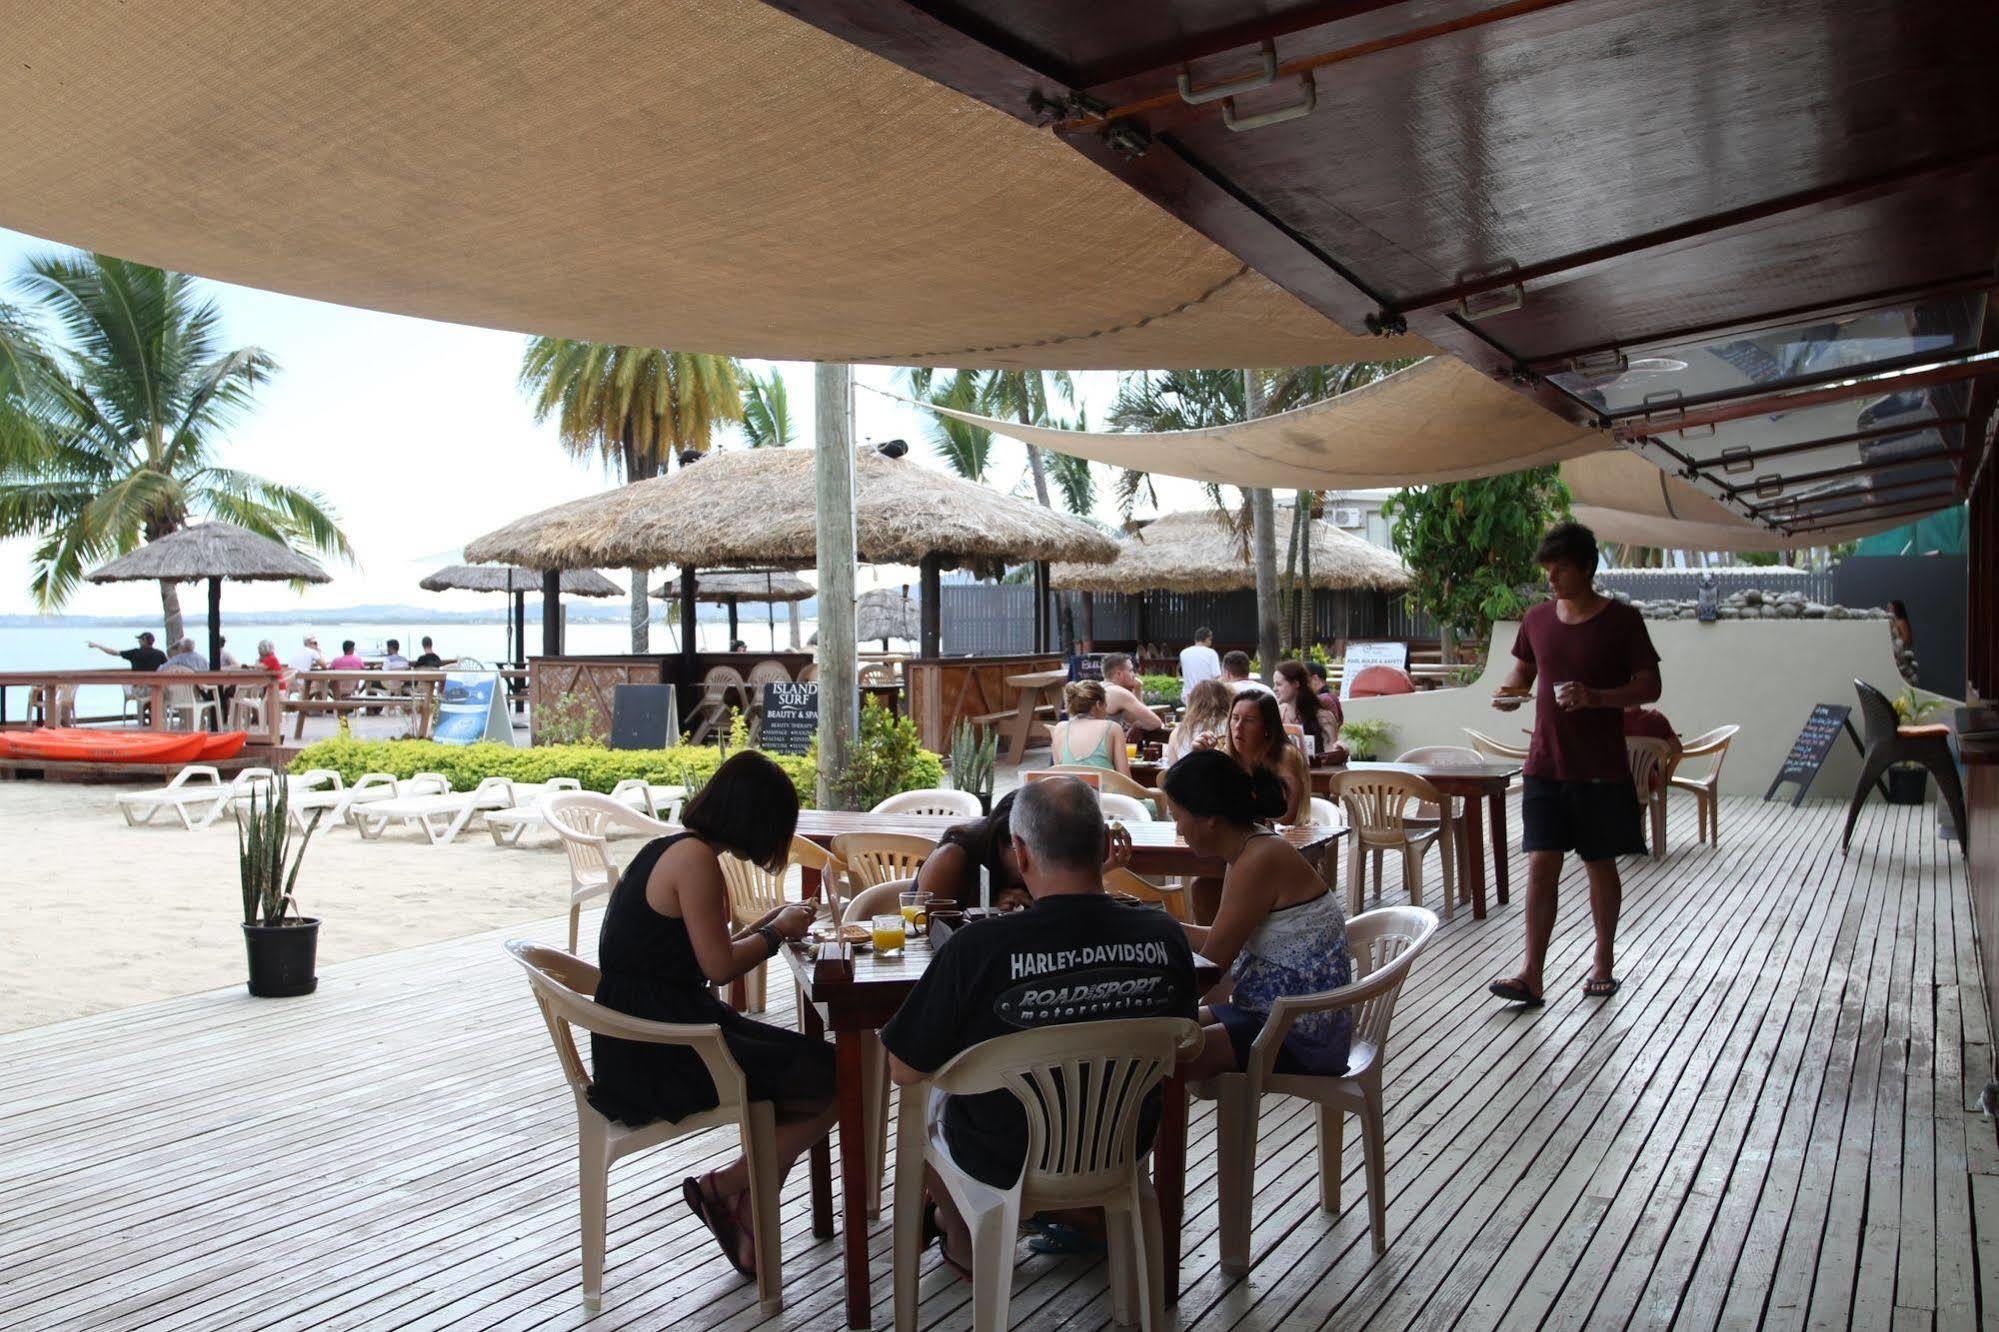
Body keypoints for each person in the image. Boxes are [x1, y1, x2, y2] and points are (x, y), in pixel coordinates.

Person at [880, 778, 1197, 1280]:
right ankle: (1081, 1212)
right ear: (1103, 847)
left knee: (928, 1097)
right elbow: (1182, 1046)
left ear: (1021, 853)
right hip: (1124, 1141)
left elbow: (902, 1067)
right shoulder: (1164, 935)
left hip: (1002, 1154)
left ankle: (960, 1229)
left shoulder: (977, 948)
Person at [588, 751, 837, 1278]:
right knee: (843, 1077)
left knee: (817, 1072)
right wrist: (776, 935)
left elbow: (698, 958)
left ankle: (743, 1210)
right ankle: (723, 1186)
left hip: (651, 1032)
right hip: (664, 1048)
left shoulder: (671, 849)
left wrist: (769, 923)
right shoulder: (697, 861)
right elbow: (720, 967)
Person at [1488, 521, 1660, 1006]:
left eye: (1561, 568)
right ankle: (1531, 973)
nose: (1551, 578)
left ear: (1587, 567)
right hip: (1544, 763)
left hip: (1600, 766)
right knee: (1541, 864)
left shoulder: (1623, 620)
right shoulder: (1537, 619)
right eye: (1547, 569)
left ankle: (1602, 962)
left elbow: (1649, 686)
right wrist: (1509, 694)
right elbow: (1522, 671)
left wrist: (1597, 697)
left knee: (1598, 863)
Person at [1163, 750, 1354, 1080]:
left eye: (1177, 816)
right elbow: (1222, 940)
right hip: (1273, 1012)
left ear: (1209, 817)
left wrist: (1142, 1006)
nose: (1177, 828)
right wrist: (1162, 927)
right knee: (1161, 1040)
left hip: (1298, 1032)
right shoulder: (1248, 848)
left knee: (1158, 1061)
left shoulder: (1257, 859)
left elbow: (1211, 966)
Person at [1048, 680, 1130, 776]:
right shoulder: (1112, 728)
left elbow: (1059, 776)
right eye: (1105, 704)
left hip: (1070, 790)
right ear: (1098, 704)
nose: (1106, 709)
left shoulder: (1059, 729)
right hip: (1102, 791)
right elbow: (1125, 778)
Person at [1162, 678, 1234, 766]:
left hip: (1187, 778)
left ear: (1192, 702)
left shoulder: (1178, 732)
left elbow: (1172, 772)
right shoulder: (1232, 726)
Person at [1273, 658, 1339, 753]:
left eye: (1278, 684)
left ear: (1296, 683)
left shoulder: (1323, 717)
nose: (1274, 689)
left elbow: (1331, 753)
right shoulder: (1277, 714)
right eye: (1274, 684)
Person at [1099, 652, 1164, 735]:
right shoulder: (1119, 692)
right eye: (1131, 670)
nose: (1134, 674)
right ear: (1119, 674)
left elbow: (1132, 719)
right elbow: (1155, 723)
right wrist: (1137, 725)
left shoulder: (1101, 687)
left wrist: (1137, 689)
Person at [87, 631, 165, 671]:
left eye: (140, 639)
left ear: (144, 640)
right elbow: (169, 666)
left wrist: (98, 646)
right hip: (155, 685)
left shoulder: (135, 653)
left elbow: (114, 653)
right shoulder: (160, 654)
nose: (138, 641)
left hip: (138, 686)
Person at [1179, 627, 1222, 692]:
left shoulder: (1183, 653)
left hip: (1188, 694)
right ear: (1208, 639)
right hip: (1206, 694)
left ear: (1195, 639)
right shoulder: (1211, 653)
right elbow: (1217, 676)